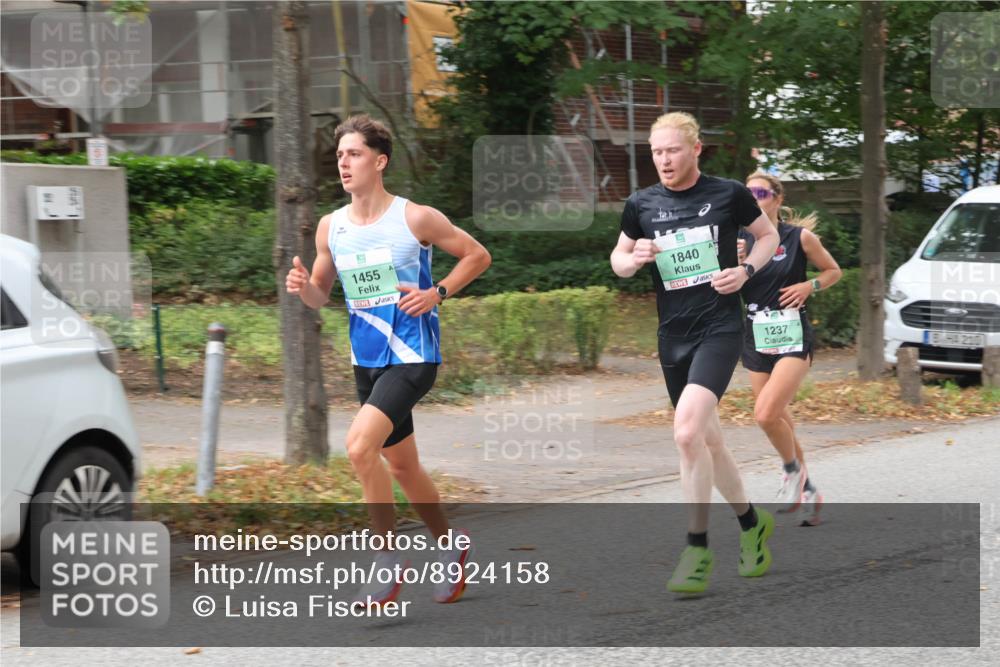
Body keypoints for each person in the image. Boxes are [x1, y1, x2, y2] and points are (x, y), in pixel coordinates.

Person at [285, 114, 491, 607]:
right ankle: (451, 544)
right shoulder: (331, 227)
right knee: (401, 466)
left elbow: (477, 255)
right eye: (340, 155)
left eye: (354, 154)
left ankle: (386, 560)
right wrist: (303, 288)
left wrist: (436, 293)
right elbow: (320, 295)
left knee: (360, 448)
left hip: (413, 355)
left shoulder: (414, 218)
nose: (344, 163)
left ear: (379, 162)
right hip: (368, 359)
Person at [610, 112, 781, 595]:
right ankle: (752, 523)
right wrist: (633, 258)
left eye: (673, 150)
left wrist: (745, 271)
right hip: (673, 335)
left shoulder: (728, 193)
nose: (664, 160)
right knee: (708, 441)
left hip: (719, 328)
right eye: (657, 152)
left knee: (686, 433)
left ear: (696, 149)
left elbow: (768, 236)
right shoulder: (641, 203)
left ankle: (697, 548)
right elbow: (618, 259)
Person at [738, 172, 842, 526]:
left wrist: (810, 286)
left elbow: (833, 271)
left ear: (778, 199)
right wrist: (733, 263)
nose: (753, 198)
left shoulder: (799, 238)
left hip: (792, 335)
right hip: (755, 336)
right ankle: (808, 490)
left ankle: (791, 471)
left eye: (760, 192)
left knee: (766, 414)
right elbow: (721, 283)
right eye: (747, 193)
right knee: (778, 417)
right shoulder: (738, 240)